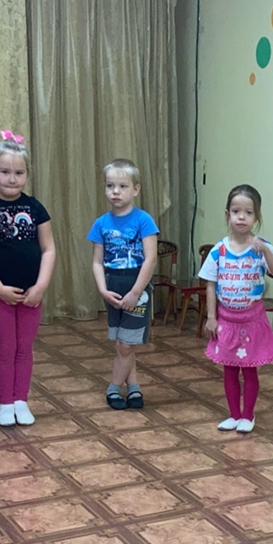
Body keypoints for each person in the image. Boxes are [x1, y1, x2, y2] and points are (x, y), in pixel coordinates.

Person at [0, 132, 57, 426]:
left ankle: (21, 400)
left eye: (19, 173)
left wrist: (40, 286)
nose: (12, 179)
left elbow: (49, 248)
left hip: (31, 294)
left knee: (24, 348)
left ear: (27, 174)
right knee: (4, 348)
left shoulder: (35, 207)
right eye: (5, 172)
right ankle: (6, 402)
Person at [200, 185, 273, 432]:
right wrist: (211, 317)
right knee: (229, 369)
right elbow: (210, 284)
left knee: (249, 370)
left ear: (256, 217)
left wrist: (265, 249)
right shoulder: (219, 250)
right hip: (227, 321)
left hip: (251, 321)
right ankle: (234, 414)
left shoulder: (261, 248)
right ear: (228, 214)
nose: (241, 217)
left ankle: (248, 415)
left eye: (248, 212)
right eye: (236, 211)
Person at [89, 158, 159, 410]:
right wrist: (103, 290)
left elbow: (150, 259)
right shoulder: (101, 223)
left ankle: (113, 387)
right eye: (110, 186)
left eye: (122, 186)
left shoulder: (144, 221)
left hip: (136, 288)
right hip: (113, 287)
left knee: (126, 344)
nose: (115, 192)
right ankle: (134, 387)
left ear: (136, 189)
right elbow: (97, 261)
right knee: (122, 342)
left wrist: (136, 292)